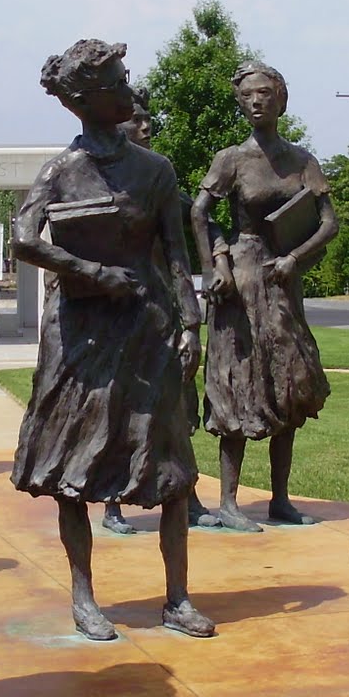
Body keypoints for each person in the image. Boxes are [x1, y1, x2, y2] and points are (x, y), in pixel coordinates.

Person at [11, 39, 214, 642]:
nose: (129, 89)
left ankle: (177, 597)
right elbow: (23, 238)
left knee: (172, 465)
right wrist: (89, 272)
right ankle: (83, 596)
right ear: (85, 100)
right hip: (79, 334)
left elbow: (177, 257)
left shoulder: (155, 170)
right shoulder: (60, 170)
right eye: (117, 82)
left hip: (146, 328)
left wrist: (191, 325)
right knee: (72, 463)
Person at [190, 62, 337, 532]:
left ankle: (280, 499)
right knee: (236, 386)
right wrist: (218, 262)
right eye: (248, 95)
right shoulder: (230, 159)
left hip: (282, 281)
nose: (256, 101)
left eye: (265, 94)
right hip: (241, 281)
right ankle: (229, 502)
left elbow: (330, 222)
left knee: (288, 384)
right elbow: (200, 214)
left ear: (281, 101)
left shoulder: (303, 161)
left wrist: (298, 258)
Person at [102, 87, 210, 534]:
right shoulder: (103, 182)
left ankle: (189, 495)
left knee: (176, 409)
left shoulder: (159, 179)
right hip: (121, 313)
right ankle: (111, 502)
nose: (146, 126)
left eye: (148, 119)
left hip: (163, 310)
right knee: (117, 410)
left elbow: (197, 226)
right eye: (137, 119)